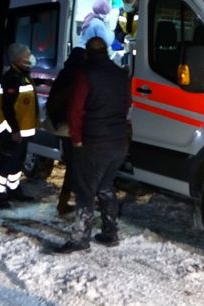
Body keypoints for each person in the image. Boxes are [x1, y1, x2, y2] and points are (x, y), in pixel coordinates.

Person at [56, 37, 131, 253]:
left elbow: (75, 109)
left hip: (95, 142)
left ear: (88, 54)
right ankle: (110, 232)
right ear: (106, 51)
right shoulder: (120, 74)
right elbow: (128, 104)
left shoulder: (86, 74)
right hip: (118, 142)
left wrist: (77, 137)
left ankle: (80, 238)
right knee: (105, 186)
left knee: (85, 190)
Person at [0, 43, 39, 209]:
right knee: (6, 162)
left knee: (17, 162)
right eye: (27, 54)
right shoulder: (11, 78)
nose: (30, 57)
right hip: (11, 131)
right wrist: (15, 130)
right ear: (18, 58)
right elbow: (7, 107)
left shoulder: (22, 75)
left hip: (20, 131)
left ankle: (13, 189)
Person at [44, 47, 87, 215]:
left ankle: (65, 202)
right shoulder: (78, 76)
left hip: (61, 125)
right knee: (75, 167)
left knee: (72, 166)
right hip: (69, 126)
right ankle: (65, 203)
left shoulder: (65, 72)